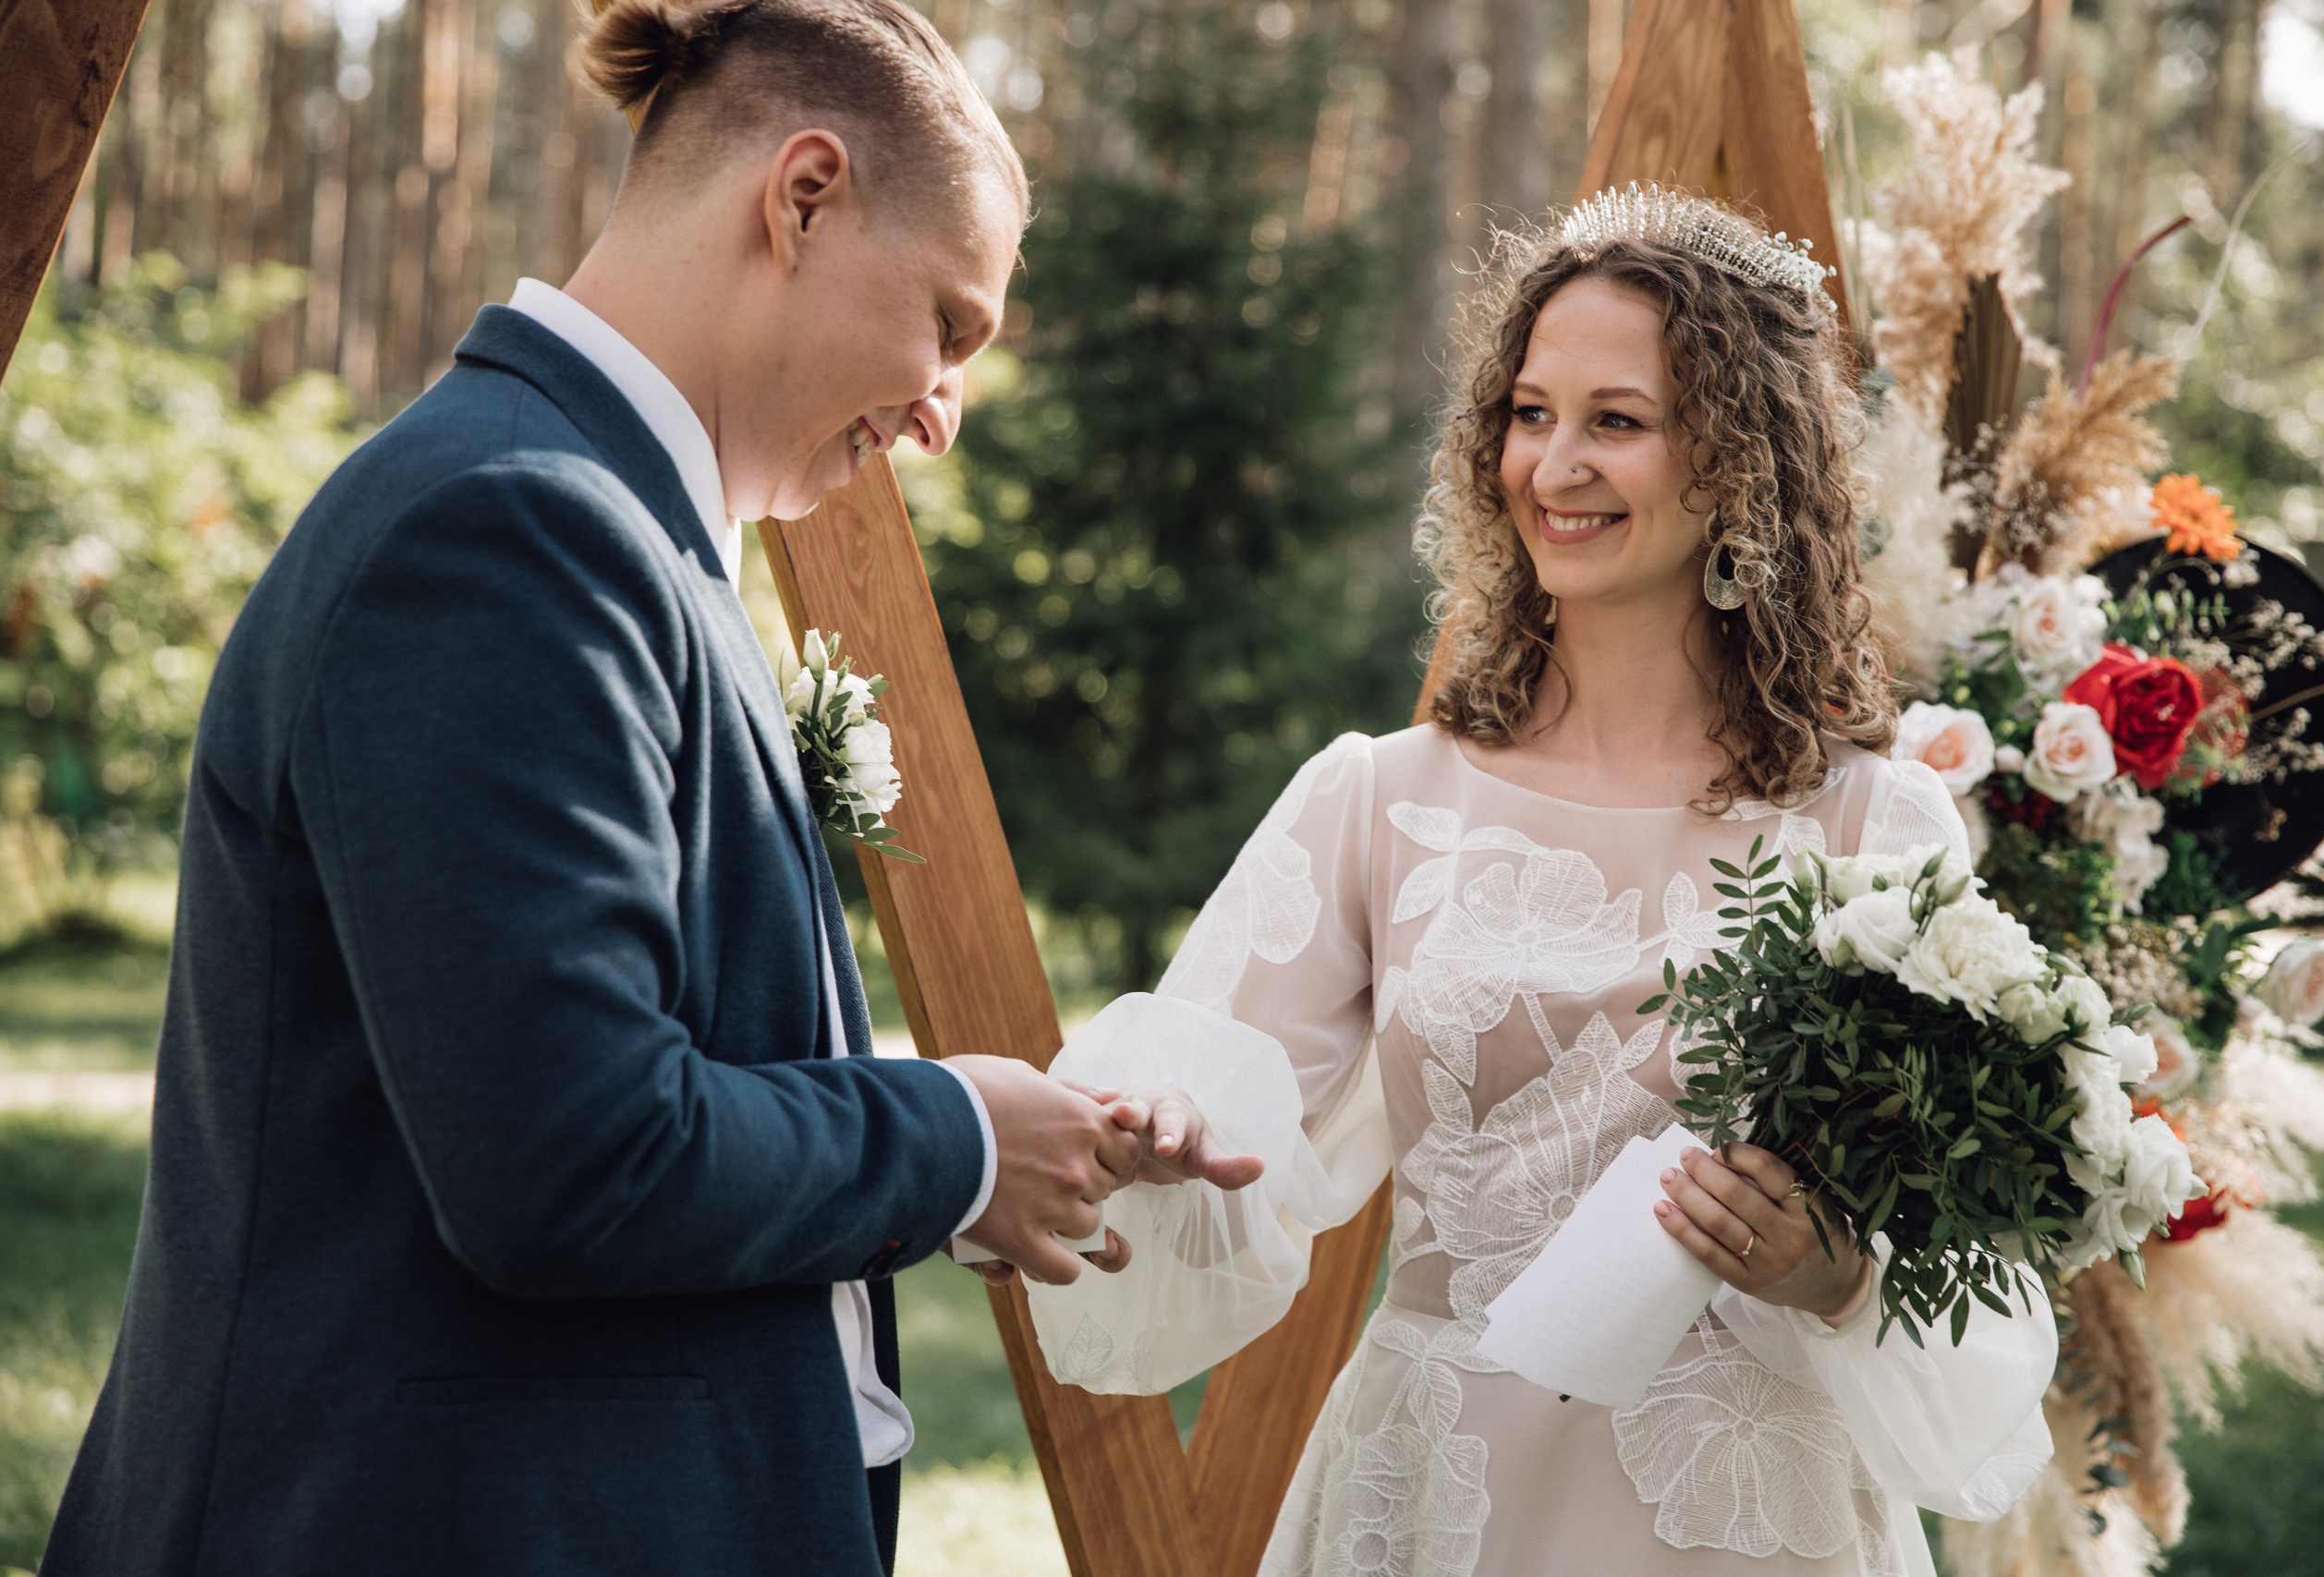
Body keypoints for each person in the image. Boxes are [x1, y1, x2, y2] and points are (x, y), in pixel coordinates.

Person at [39, 3, 1230, 1573]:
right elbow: (573, 1158)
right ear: (801, 196)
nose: (945, 411)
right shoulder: (511, 530)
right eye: (950, 325)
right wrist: (953, 1141)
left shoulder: (606, 525)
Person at [1023, 191, 2059, 1577]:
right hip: (1441, 1490)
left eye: (1615, 421)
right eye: (1529, 413)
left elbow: (1966, 1272)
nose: (1553, 465)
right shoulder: (1381, 800)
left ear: (1738, 460)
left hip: (1755, 1506)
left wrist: (1835, 1280)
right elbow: (1211, 1132)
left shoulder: (1872, 822)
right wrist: (1147, 1132)